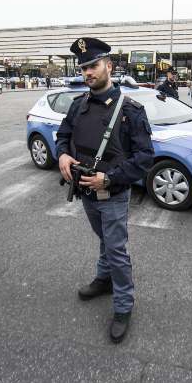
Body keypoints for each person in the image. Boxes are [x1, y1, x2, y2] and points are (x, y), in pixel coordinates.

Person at [56, 37, 154, 344]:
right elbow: (63, 135)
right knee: (105, 240)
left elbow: (145, 159)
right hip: (84, 191)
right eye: (84, 68)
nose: (88, 73)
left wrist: (108, 179)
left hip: (111, 193)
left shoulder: (131, 110)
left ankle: (123, 305)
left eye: (94, 66)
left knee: (115, 248)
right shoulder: (78, 105)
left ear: (108, 66)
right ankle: (105, 278)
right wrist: (62, 154)